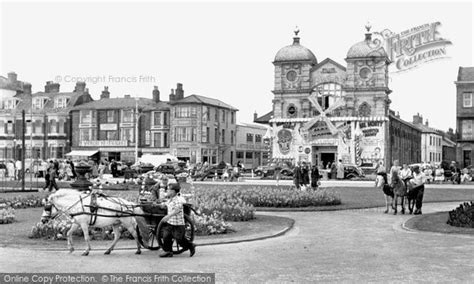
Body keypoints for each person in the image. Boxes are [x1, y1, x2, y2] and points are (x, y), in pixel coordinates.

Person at [159, 183, 196, 258]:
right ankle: (168, 251)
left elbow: (177, 210)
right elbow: (167, 204)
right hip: (170, 223)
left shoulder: (179, 200)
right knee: (166, 236)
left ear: (173, 191)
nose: (167, 191)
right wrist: (162, 205)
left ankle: (191, 246)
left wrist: (168, 216)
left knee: (179, 239)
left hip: (178, 224)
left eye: (169, 190)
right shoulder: (170, 199)